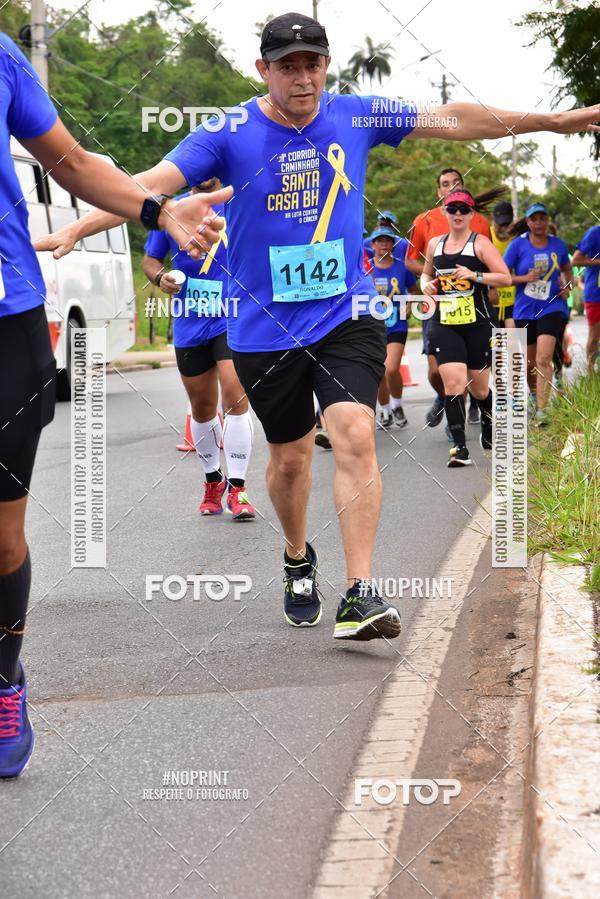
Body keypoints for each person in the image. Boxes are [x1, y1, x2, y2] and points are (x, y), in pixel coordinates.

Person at [36, 11, 600, 642]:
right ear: (263, 71)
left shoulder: (356, 114)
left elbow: (455, 119)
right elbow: (148, 185)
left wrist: (556, 120)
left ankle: (359, 592)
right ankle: (298, 556)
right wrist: (82, 225)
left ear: (327, 66)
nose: (302, 79)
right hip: (263, 328)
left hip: (347, 314)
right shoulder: (229, 132)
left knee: (355, 433)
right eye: (287, 67)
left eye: (312, 64)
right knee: (291, 460)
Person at [0, 30, 229, 778]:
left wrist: (159, 212)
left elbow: (68, 160)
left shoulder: (3, 55)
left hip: (6, 316)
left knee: (0, 537)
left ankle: (5, 681)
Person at [143, 181, 255, 519]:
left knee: (235, 397)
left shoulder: (237, 205)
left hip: (231, 317)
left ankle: (238, 488)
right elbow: (150, 260)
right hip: (189, 323)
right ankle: (213, 480)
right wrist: (161, 277)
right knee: (202, 408)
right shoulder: (174, 211)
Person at [421, 189, 511, 466]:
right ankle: (460, 449)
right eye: (452, 209)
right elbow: (425, 275)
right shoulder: (435, 244)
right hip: (445, 324)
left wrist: (475, 275)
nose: (457, 214)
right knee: (453, 383)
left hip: (478, 325)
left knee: (480, 389)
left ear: (472, 214)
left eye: (463, 209)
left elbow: (505, 278)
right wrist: (427, 286)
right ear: (445, 213)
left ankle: (488, 426)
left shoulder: (480, 244)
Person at [405, 169, 499, 430]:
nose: (450, 187)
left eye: (455, 183)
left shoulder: (478, 221)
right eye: (445, 184)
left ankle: (460, 414)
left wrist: (488, 287)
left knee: (470, 369)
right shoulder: (423, 220)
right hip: (439, 305)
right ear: (439, 193)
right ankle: (444, 395)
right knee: (437, 370)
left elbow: (489, 263)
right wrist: (432, 280)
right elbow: (411, 261)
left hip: (473, 306)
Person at [504, 203, 573, 420]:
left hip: (551, 306)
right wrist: (524, 278)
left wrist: (567, 287)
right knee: (530, 363)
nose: (539, 223)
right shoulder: (517, 246)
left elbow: (567, 269)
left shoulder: (558, 245)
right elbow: (503, 275)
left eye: (542, 218)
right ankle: (534, 396)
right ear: (528, 222)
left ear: (547, 221)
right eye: (534, 219)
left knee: (544, 358)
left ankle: (543, 409)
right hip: (524, 309)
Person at [369, 226, 417, 428]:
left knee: (391, 369)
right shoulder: (365, 268)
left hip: (396, 323)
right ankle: (385, 411)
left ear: (393, 245)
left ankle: (397, 405)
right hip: (372, 327)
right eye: (379, 241)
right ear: (372, 245)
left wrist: (409, 304)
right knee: (378, 372)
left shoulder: (402, 267)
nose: (383, 244)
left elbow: (415, 290)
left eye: (387, 241)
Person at [572, 224, 600, 371]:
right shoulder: (595, 232)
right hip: (596, 294)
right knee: (594, 336)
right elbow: (575, 260)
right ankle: (591, 373)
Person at [489, 200, 516, 326]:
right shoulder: (485, 237)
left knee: (514, 342)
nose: (504, 228)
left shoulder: (517, 238)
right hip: (492, 301)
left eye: (507, 224)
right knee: (498, 345)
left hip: (514, 302)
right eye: (500, 224)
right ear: (492, 219)